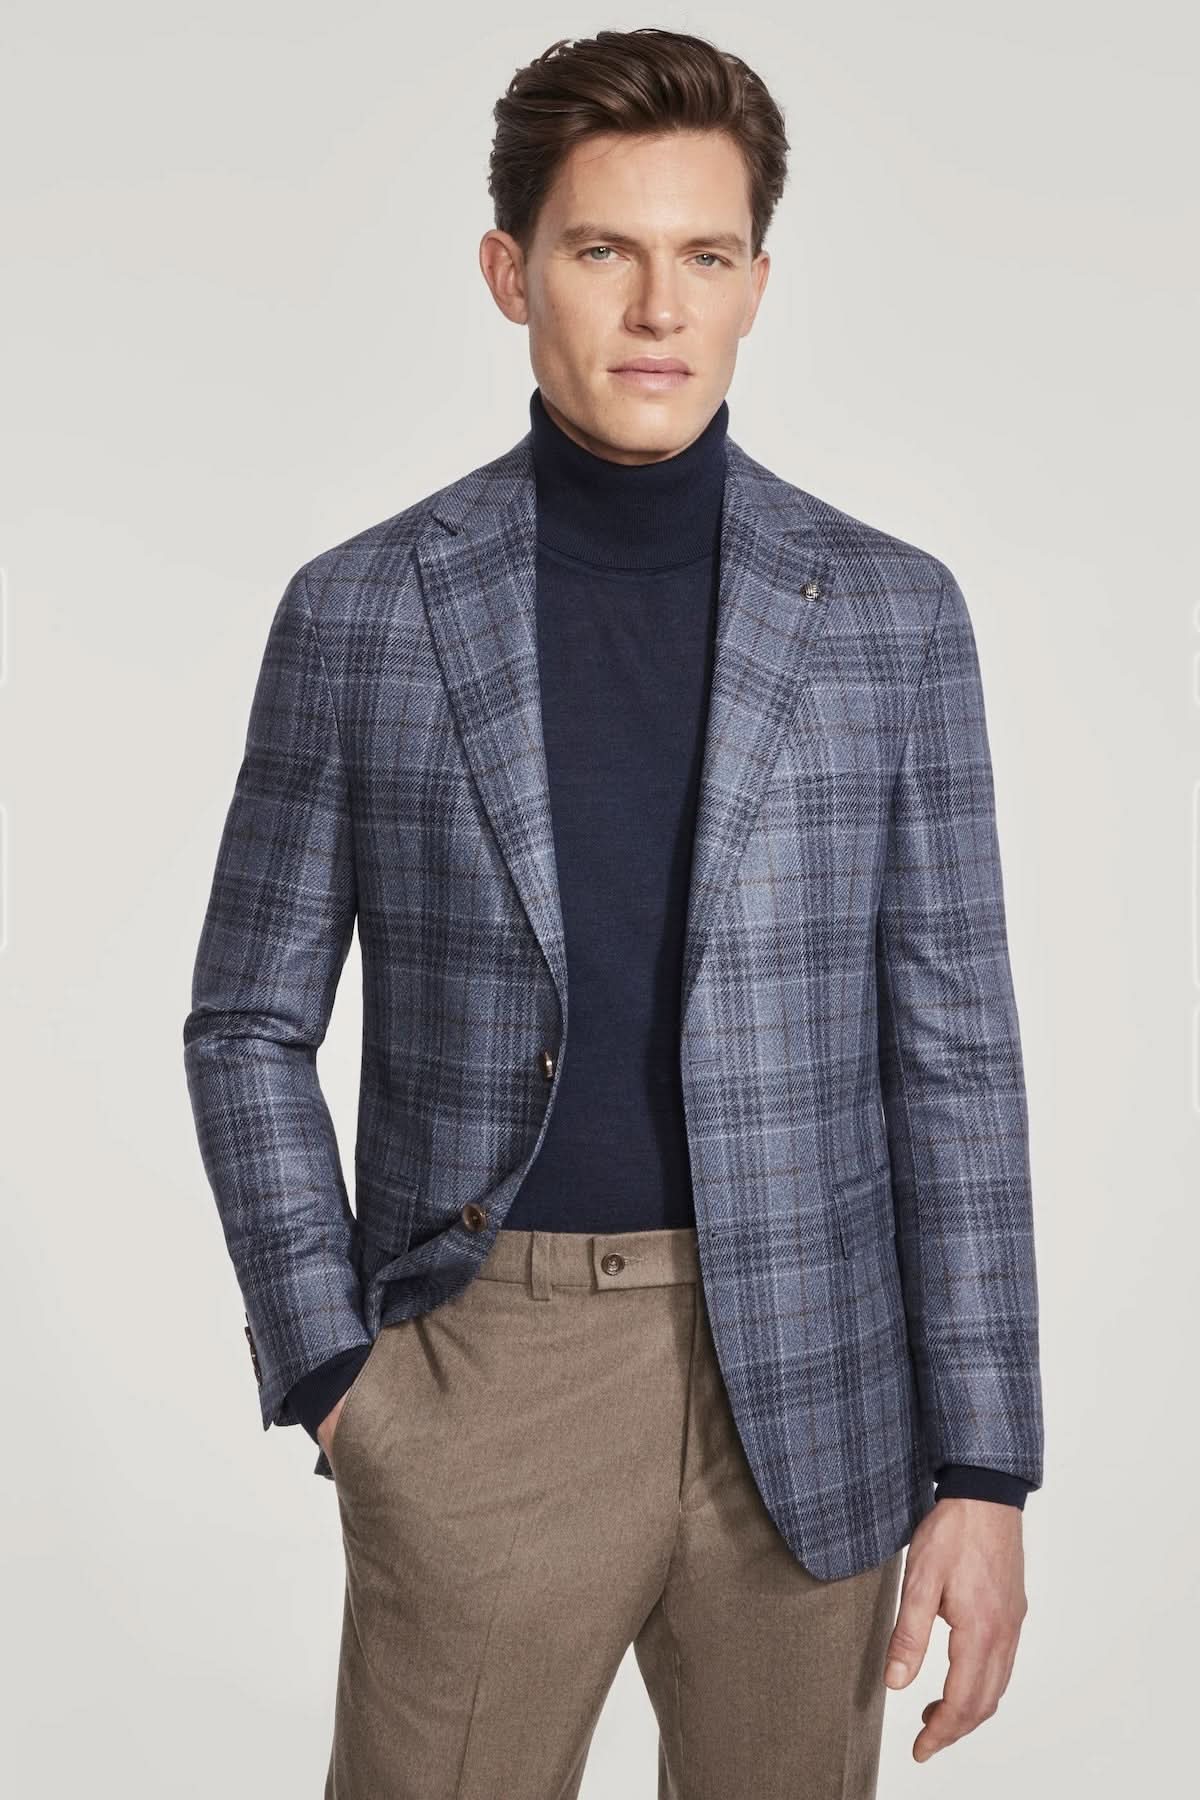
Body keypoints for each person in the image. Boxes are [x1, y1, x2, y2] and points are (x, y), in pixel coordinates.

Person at [182, 26, 1044, 1799]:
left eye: (705, 256)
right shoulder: (363, 612)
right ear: (512, 273)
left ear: (757, 285)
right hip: (484, 1370)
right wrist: (338, 1370)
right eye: (604, 250)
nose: (659, 307)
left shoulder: (894, 619)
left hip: (815, 1378)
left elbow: (955, 1059)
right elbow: (248, 1020)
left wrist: (984, 1468)